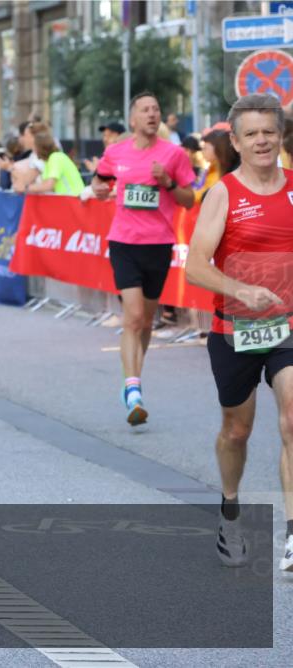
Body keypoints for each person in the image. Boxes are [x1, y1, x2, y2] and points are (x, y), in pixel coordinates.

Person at [185, 94, 293, 573]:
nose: (262, 140)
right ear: (236, 140)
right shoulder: (224, 193)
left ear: (281, 134)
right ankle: (230, 510)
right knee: (237, 430)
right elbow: (194, 267)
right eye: (251, 133)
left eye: (269, 131)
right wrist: (241, 290)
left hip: (289, 326)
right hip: (236, 330)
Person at [91, 92, 196, 426]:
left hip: (159, 244)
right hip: (123, 242)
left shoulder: (174, 154)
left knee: (146, 321)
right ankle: (132, 389)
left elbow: (189, 200)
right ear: (133, 119)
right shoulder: (116, 152)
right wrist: (98, 188)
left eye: (156, 109)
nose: (152, 114)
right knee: (133, 316)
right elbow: (100, 180)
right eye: (145, 110)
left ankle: (134, 377)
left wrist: (167, 182)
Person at [17, 130, 84, 196]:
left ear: (40, 147)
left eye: (34, 146)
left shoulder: (55, 157)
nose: (33, 149)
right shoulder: (50, 160)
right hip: (68, 201)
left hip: (73, 201)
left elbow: (49, 186)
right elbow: (45, 185)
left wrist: (26, 188)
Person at [195, 129, 240, 202]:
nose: (202, 152)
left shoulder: (232, 175)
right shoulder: (212, 169)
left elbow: (205, 196)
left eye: (205, 148)